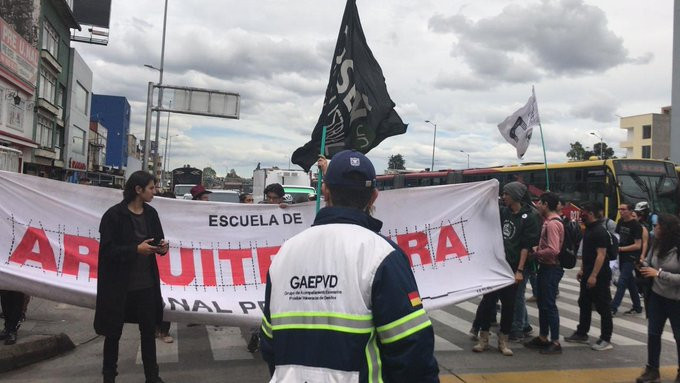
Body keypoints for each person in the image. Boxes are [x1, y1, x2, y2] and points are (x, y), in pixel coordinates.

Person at [260, 150, 439, 382]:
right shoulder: (383, 256)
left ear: (325, 192)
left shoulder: (285, 253)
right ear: (374, 196)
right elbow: (412, 351)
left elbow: (269, 342)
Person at [94, 171, 169, 383]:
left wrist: (163, 248)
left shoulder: (151, 214)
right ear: (138, 189)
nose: (155, 191)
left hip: (146, 285)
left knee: (148, 332)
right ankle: (109, 376)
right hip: (119, 287)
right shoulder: (113, 216)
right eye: (152, 188)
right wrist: (135, 249)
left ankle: (152, 377)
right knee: (113, 333)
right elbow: (108, 251)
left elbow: (159, 241)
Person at [472, 182, 540, 356]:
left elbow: (526, 246)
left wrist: (519, 270)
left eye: (506, 194)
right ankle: (483, 339)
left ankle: (503, 341)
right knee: (488, 303)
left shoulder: (529, 217)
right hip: (495, 266)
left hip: (511, 269)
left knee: (509, 306)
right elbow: (483, 215)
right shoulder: (503, 212)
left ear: (515, 196)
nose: (503, 197)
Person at [635, 214, 680, 383]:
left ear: (666, 228)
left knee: (678, 335)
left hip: (676, 300)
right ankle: (652, 369)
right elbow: (649, 262)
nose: (655, 228)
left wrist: (659, 274)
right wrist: (643, 265)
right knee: (653, 333)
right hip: (656, 296)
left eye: (657, 225)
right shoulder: (657, 244)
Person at [565, 201, 614, 351]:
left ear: (591, 214)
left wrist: (593, 276)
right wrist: (582, 269)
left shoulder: (599, 231)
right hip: (588, 273)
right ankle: (582, 332)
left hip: (600, 275)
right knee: (584, 303)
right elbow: (588, 254)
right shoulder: (589, 230)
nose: (581, 216)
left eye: (584, 213)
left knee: (603, 306)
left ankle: (606, 338)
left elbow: (601, 255)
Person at [524, 192, 564, 354]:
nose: (537, 205)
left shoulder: (553, 224)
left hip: (551, 268)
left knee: (549, 305)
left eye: (539, 202)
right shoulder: (549, 221)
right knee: (543, 304)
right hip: (546, 268)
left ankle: (555, 341)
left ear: (546, 204)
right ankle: (542, 337)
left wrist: (537, 253)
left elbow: (554, 250)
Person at [611, 203, 644, 316]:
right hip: (621, 256)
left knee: (622, 281)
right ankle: (637, 307)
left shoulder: (636, 226)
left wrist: (621, 249)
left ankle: (613, 307)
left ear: (630, 211)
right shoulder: (620, 222)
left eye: (624, 209)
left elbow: (638, 245)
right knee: (630, 283)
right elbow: (617, 236)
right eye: (620, 209)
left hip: (631, 257)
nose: (621, 211)